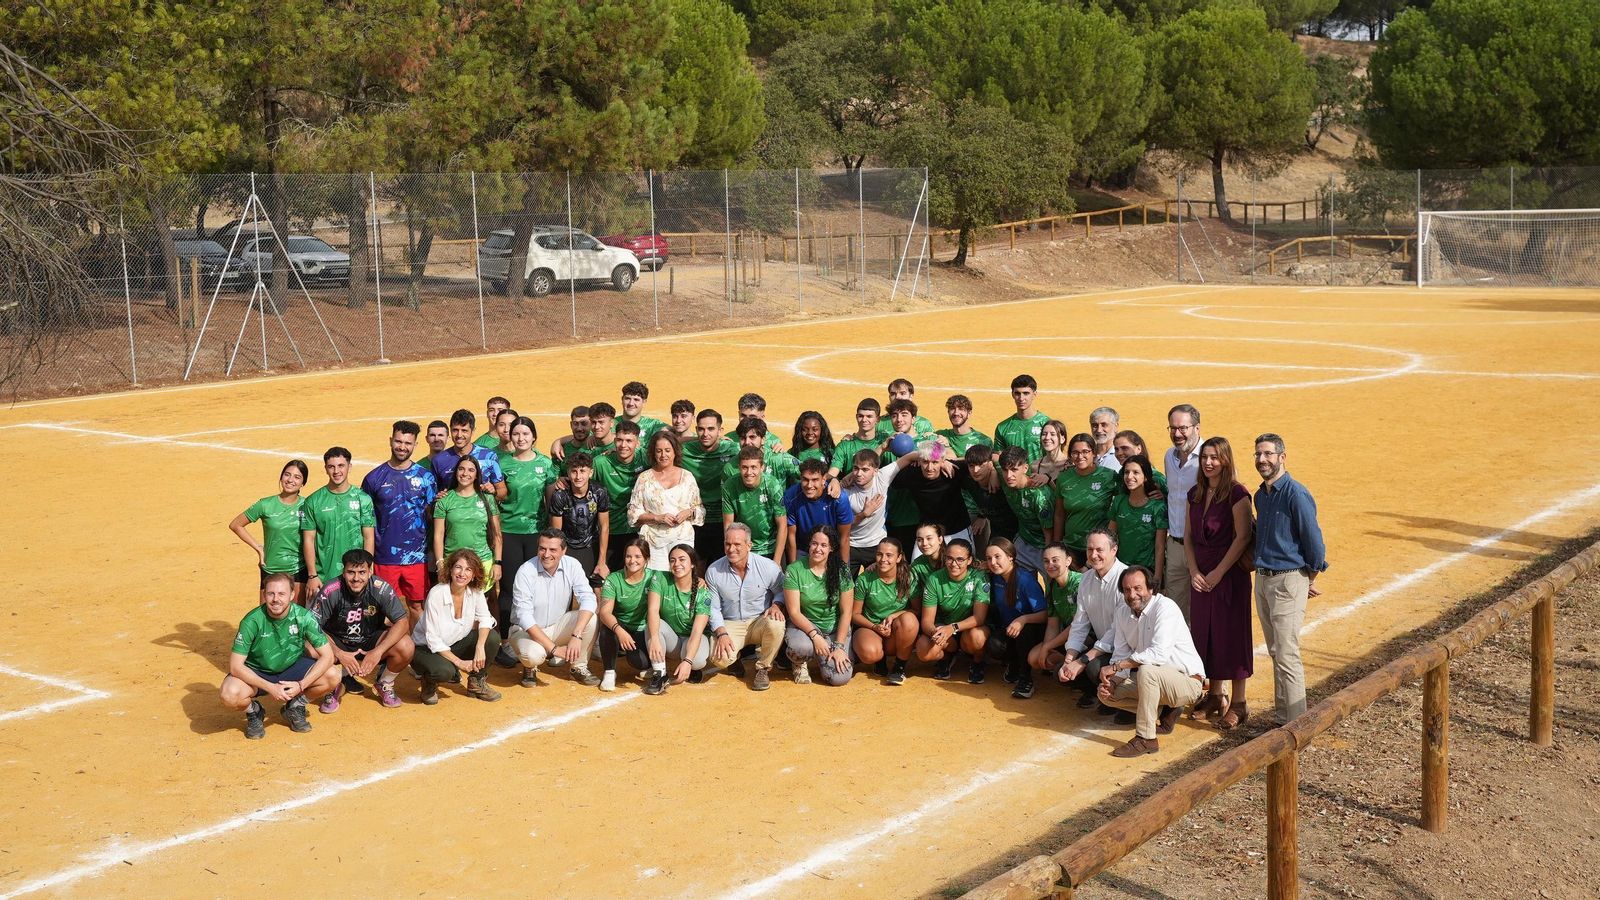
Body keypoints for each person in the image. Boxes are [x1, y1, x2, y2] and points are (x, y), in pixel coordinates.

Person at [1252, 432, 1328, 726]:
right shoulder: (1261, 495)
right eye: (1258, 454)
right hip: (1263, 580)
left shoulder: (1296, 494)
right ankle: (1281, 721)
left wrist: (1308, 577)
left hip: (1287, 580)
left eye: (1268, 454)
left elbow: (1314, 542)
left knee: (1287, 654)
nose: (1262, 459)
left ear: (1282, 457)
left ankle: (1297, 728)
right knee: (1276, 652)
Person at [1185, 437, 1255, 729]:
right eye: (1205, 457)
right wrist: (1194, 571)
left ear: (1226, 460)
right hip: (1201, 576)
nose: (1208, 462)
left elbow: (1243, 537)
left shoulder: (1237, 493)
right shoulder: (1195, 493)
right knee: (1207, 635)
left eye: (1214, 457)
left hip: (1229, 576)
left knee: (1232, 635)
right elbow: (1188, 536)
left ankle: (1239, 703)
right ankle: (1215, 695)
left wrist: (1218, 572)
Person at [1100, 565, 1206, 758]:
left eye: (1137, 588)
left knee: (1147, 671)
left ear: (1150, 588)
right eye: (1127, 590)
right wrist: (1113, 681)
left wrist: (1117, 667)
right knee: (1106, 694)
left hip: (1187, 681)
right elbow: (1120, 654)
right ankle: (1165, 709)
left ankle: (1146, 738)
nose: (1132, 595)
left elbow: (1158, 654)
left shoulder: (1165, 608)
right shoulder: (1122, 613)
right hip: (1156, 682)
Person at [219, 572, 339, 739]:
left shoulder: (304, 617)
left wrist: (301, 685)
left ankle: (295, 706)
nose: (276, 599)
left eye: (281, 594)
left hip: (292, 667)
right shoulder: (252, 621)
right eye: (271, 593)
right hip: (258, 671)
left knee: (333, 675)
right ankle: (254, 711)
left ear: (292, 595)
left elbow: (328, 656)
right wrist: (270, 687)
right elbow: (235, 666)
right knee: (229, 694)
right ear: (264, 595)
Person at [306, 549, 413, 710]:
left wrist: (378, 651)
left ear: (370, 572)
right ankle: (333, 684)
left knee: (406, 645)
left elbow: (402, 622)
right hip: (337, 641)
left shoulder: (381, 588)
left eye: (362, 572)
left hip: (371, 640)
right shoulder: (331, 590)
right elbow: (312, 627)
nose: (356, 578)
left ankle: (385, 682)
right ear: (343, 572)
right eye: (351, 572)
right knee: (310, 647)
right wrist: (338, 653)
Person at [494, 415, 558, 661]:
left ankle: (542, 639)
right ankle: (506, 641)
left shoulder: (545, 464)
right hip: (509, 533)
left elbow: (551, 503)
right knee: (509, 588)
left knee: (539, 588)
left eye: (525, 434)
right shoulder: (502, 463)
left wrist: (552, 537)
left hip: (536, 534)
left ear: (534, 437)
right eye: (516, 434)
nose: (520, 438)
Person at [508, 529, 601, 687]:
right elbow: (524, 617)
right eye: (542, 548)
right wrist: (554, 649)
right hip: (526, 632)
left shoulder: (572, 564)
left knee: (591, 618)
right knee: (533, 656)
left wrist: (576, 635)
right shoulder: (525, 571)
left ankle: (578, 667)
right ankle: (530, 667)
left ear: (563, 551)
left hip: (557, 627)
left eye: (553, 550)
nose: (546, 554)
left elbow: (588, 598)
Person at [362, 421, 437, 609]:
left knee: (417, 606)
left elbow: (433, 516)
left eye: (408, 443)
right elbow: (365, 520)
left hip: (417, 556)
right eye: (398, 441)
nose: (402, 447)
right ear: (390, 440)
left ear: (415, 445)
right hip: (385, 556)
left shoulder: (426, 478)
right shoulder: (373, 478)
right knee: (384, 608)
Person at [411, 549, 502, 704]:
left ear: (474, 574)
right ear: (450, 569)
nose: (462, 573)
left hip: (453, 643)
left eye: (468, 569)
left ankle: (476, 682)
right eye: (458, 567)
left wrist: (480, 647)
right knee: (446, 671)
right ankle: (429, 682)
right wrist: (459, 663)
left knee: (492, 638)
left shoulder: (475, 591)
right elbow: (433, 640)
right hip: (425, 649)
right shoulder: (437, 594)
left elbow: (485, 619)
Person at [704, 523, 787, 690]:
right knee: (718, 657)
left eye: (737, 544)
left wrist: (777, 605)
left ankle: (763, 668)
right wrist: (722, 633)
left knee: (777, 624)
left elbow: (782, 591)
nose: (731, 549)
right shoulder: (713, 571)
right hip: (731, 623)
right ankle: (734, 660)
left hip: (760, 621)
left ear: (749, 545)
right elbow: (713, 608)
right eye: (727, 544)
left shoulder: (768, 567)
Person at [1057, 529, 1129, 713]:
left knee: (1093, 667)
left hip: (1128, 651)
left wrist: (1083, 660)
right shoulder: (1086, 579)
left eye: (1099, 550)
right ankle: (1097, 693)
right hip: (1104, 647)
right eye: (1090, 549)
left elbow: (1118, 630)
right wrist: (1069, 659)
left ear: (1114, 550)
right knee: (1063, 667)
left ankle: (1123, 702)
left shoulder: (1127, 579)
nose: (1094, 555)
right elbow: (1080, 623)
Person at [300, 447, 377, 598]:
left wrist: (367, 568)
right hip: (323, 577)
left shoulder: (363, 499)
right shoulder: (313, 501)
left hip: (355, 577)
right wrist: (312, 575)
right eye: (331, 467)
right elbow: (308, 539)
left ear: (350, 466)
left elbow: (368, 537)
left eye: (341, 466)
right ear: (325, 469)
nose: (336, 471)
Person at [229, 459, 310, 604]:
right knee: (267, 615)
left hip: (298, 569)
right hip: (271, 568)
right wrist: (259, 548)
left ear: (303, 483)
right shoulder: (265, 504)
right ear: (281, 477)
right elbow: (236, 525)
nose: (290, 480)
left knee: (296, 615)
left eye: (297, 477)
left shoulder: (308, 506)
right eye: (287, 474)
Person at [782, 526, 855, 686]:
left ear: (831, 548)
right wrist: (815, 637)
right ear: (809, 544)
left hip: (834, 629)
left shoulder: (842, 571)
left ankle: (831, 652)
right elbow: (794, 612)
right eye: (814, 543)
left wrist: (839, 646)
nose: (817, 549)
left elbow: (846, 612)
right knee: (800, 648)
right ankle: (799, 662)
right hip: (805, 627)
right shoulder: (794, 569)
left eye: (823, 545)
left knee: (839, 678)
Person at [915, 537, 990, 682]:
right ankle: (947, 657)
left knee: (977, 637)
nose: (954, 564)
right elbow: (926, 621)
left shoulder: (979, 577)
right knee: (924, 651)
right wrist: (936, 633)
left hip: (969, 629)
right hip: (944, 629)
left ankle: (978, 662)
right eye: (949, 558)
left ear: (969, 560)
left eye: (960, 559)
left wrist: (953, 627)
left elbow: (979, 618)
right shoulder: (935, 579)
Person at [643, 544, 715, 694]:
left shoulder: (703, 593)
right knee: (653, 624)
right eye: (672, 560)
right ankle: (659, 674)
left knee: (696, 661)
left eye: (682, 559)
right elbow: (653, 610)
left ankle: (691, 667)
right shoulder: (660, 578)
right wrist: (654, 638)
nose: (676, 564)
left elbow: (697, 631)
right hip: (672, 639)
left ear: (692, 564)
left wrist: (688, 661)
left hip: (692, 638)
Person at [629, 430, 704, 572]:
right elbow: (633, 514)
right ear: (653, 453)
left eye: (667, 450)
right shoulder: (644, 478)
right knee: (655, 580)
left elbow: (700, 509)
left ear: (675, 451)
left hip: (683, 538)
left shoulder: (687, 477)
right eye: (659, 451)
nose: (663, 455)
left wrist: (688, 513)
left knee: (681, 577)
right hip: (653, 541)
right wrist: (657, 518)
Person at [851, 538, 921, 685]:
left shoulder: (909, 576)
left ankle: (899, 667)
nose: (883, 559)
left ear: (899, 557)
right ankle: (879, 661)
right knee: (870, 653)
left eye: (889, 555)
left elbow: (917, 610)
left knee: (909, 620)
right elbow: (855, 614)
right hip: (870, 627)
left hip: (895, 632)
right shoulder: (865, 578)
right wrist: (874, 627)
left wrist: (894, 615)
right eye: (879, 554)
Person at [985, 538, 1048, 699]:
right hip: (1008, 629)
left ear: (1010, 557)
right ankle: (1014, 664)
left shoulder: (1026, 580)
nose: (993, 562)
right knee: (995, 645)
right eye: (989, 558)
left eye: (997, 557)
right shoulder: (996, 577)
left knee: (1025, 633)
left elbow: (1044, 614)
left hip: (1031, 631)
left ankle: (1025, 679)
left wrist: (1023, 619)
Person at [432, 455, 502, 594]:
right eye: (461, 469)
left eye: (471, 470)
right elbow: (438, 535)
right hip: (454, 563)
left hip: (483, 562)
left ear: (477, 475)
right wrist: (440, 562)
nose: (465, 473)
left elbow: (497, 534)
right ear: (456, 472)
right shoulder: (444, 500)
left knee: (480, 604)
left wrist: (497, 563)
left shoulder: (487, 499)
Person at [595, 538, 656, 692]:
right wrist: (620, 631)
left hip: (642, 629)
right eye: (628, 556)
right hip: (620, 626)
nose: (632, 561)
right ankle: (609, 672)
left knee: (640, 663)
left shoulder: (655, 577)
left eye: (638, 556)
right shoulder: (613, 579)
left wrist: (699, 579)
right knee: (607, 627)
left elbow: (680, 578)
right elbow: (604, 612)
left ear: (646, 559)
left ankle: (650, 663)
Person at [680, 408, 740, 563]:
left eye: (711, 429)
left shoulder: (733, 449)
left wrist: (777, 447)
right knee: (695, 567)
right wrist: (690, 439)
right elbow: (662, 440)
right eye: (701, 429)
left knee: (723, 567)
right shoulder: (682, 451)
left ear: (720, 431)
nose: (705, 434)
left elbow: (757, 452)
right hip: (694, 520)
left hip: (723, 520)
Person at [1163, 404, 1203, 619]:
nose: (1177, 434)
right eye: (1172, 428)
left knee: (1204, 605)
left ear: (1197, 428)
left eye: (1182, 428)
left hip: (1201, 545)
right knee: (1175, 610)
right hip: (1175, 545)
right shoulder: (1169, 456)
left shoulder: (1210, 457)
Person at [593, 420, 649, 574]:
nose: (623, 445)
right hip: (608, 531)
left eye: (629, 441)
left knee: (635, 576)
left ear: (637, 442)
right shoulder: (600, 463)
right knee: (604, 576)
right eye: (619, 440)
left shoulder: (646, 458)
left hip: (637, 529)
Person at [1051, 433, 1116, 562]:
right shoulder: (1064, 478)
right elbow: (1059, 514)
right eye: (1075, 452)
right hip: (1071, 547)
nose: (1080, 456)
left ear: (1094, 453)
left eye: (1085, 451)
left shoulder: (1109, 476)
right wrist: (1057, 545)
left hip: (1098, 549)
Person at [1027, 543, 1084, 682]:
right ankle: (1065, 663)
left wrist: (1048, 646)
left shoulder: (1079, 583)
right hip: (1068, 635)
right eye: (1046, 561)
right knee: (1034, 658)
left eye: (1055, 560)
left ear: (1068, 561)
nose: (1050, 565)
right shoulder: (1053, 586)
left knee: (1046, 655)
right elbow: (1053, 624)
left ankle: (1082, 677)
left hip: (1086, 635)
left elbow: (1078, 625)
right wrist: (1046, 649)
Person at [722, 446, 788, 565]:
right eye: (744, 467)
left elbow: (782, 524)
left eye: (753, 467)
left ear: (762, 467)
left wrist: (777, 561)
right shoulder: (729, 486)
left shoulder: (773, 485)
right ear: (739, 467)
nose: (749, 472)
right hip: (743, 548)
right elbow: (728, 525)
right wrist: (732, 553)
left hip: (770, 547)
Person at [549, 451, 611, 577]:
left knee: (596, 582)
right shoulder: (560, 495)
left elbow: (604, 527)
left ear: (591, 472)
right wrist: (558, 557)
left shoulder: (599, 492)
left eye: (582, 471)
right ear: (568, 473)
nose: (578, 476)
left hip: (591, 544)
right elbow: (556, 532)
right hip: (567, 546)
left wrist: (602, 561)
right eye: (574, 471)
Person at [1109, 454, 1168, 583]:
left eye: (1136, 472)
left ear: (1145, 477)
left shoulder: (1157, 507)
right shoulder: (1119, 501)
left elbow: (1160, 545)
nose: (1129, 477)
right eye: (1126, 472)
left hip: (1146, 571)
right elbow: (1110, 537)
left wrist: (1157, 576)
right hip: (1121, 568)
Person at [784, 459, 854, 562]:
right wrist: (793, 566)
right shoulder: (791, 496)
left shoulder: (839, 498)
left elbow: (844, 537)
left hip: (831, 549)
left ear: (824, 479)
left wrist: (844, 567)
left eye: (815, 480)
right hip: (803, 549)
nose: (809, 485)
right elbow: (791, 536)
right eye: (805, 479)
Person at [998, 446, 1054, 573]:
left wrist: (1048, 555)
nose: (1009, 475)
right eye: (1005, 470)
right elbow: (991, 458)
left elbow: (1049, 533)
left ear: (1025, 468)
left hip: (1043, 546)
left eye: (1014, 470)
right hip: (1023, 541)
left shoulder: (1039, 495)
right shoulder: (1004, 480)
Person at [432, 409, 507, 502]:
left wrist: (493, 492)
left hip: (481, 510)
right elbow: (433, 495)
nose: (459, 435)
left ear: (473, 431)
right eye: (455, 430)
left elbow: (502, 492)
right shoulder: (439, 460)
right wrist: (437, 497)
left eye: (464, 430)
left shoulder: (488, 456)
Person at [961, 444, 1017, 555]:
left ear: (990, 464)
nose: (976, 470)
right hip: (997, 531)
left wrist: (995, 470)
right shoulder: (968, 480)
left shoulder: (1004, 478)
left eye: (981, 465)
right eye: (971, 466)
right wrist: (982, 515)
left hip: (1020, 533)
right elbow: (946, 462)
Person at [993, 374, 1052, 463]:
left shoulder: (1047, 424)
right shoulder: (1002, 427)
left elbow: (1055, 456)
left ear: (1034, 394)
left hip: (1041, 472)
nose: (1021, 398)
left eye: (1026, 393)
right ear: (1012, 394)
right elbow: (998, 458)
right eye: (1017, 393)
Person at [725, 416, 799, 486]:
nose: (747, 442)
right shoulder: (730, 467)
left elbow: (805, 472)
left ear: (763, 440)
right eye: (743, 438)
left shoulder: (779, 459)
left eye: (752, 437)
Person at [828, 398, 885, 479]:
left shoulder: (884, 443)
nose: (864, 420)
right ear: (856, 417)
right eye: (860, 416)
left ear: (878, 420)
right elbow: (832, 474)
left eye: (869, 416)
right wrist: (833, 480)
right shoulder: (844, 446)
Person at [1090, 407, 1121, 471]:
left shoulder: (1123, 455)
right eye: (1095, 425)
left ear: (1116, 427)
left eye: (1104, 425)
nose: (1099, 430)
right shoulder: (1086, 455)